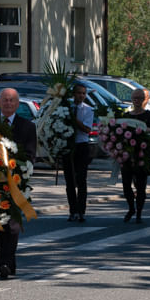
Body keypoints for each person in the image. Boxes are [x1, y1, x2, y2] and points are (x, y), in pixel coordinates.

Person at [0, 88, 37, 279]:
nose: (8, 103)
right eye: (5, 100)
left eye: (12, 100)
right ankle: (4, 263)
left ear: (18, 104)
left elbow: (30, 155)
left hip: (16, 182)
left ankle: (6, 262)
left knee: (12, 225)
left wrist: (13, 165)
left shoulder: (27, 126)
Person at [121, 89, 150, 222]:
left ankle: (139, 213)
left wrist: (145, 129)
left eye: (139, 98)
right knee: (126, 185)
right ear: (131, 99)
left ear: (144, 100)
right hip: (127, 155)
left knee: (141, 186)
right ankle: (131, 208)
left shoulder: (148, 115)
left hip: (142, 154)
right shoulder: (126, 116)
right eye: (134, 98)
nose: (136, 101)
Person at [63, 84, 94, 223]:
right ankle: (72, 210)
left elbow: (87, 129)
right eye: (79, 93)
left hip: (82, 145)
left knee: (81, 180)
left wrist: (74, 120)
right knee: (70, 180)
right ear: (73, 94)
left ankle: (81, 211)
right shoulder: (66, 108)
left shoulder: (87, 109)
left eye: (84, 93)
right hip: (68, 146)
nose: (81, 95)